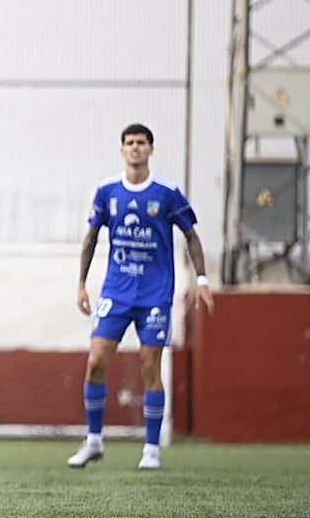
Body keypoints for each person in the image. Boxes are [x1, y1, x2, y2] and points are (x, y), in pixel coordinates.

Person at [70, 123, 216, 471]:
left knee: (150, 366)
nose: (135, 148)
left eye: (141, 143)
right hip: (116, 292)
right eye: (129, 143)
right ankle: (94, 441)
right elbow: (91, 238)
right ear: (122, 150)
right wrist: (80, 283)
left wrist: (202, 279)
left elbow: (192, 237)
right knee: (95, 363)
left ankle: (151, 449)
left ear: (151, 149)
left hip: (154, 294)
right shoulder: (107, 191)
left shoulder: (167, 193)